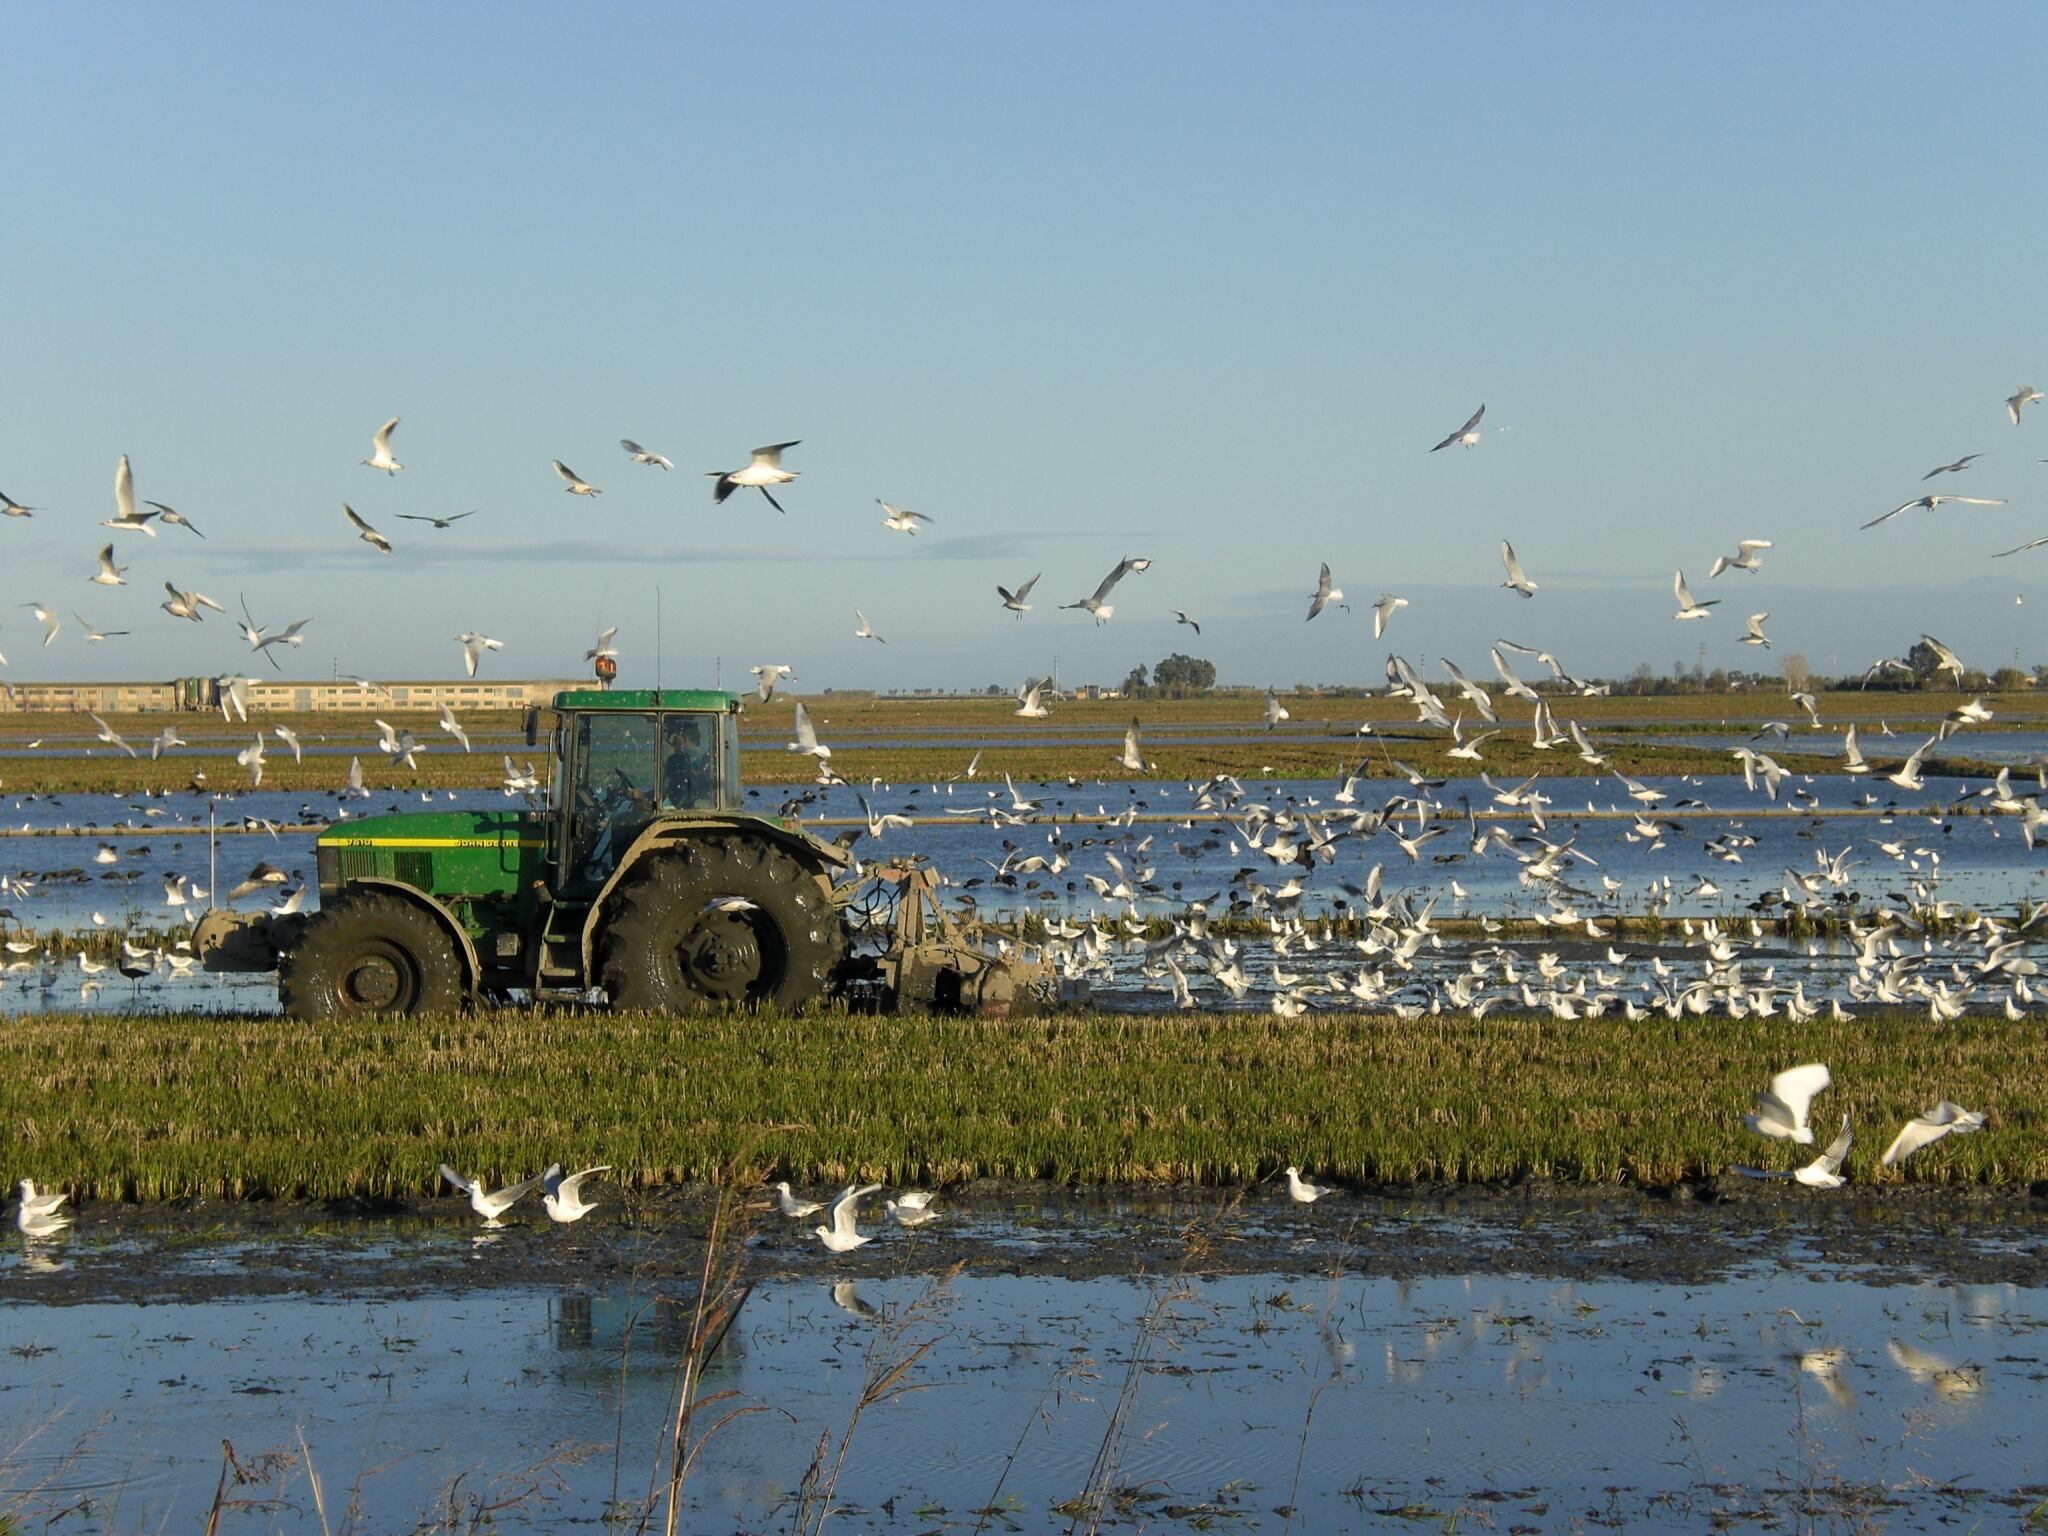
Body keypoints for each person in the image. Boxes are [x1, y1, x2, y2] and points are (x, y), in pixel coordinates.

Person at [661, 716, 714, 809]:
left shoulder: (675, 760)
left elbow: (663, 793)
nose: (671, 743)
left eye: (673, 738)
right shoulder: (708, 759)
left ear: (683, 739)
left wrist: (642, 796)